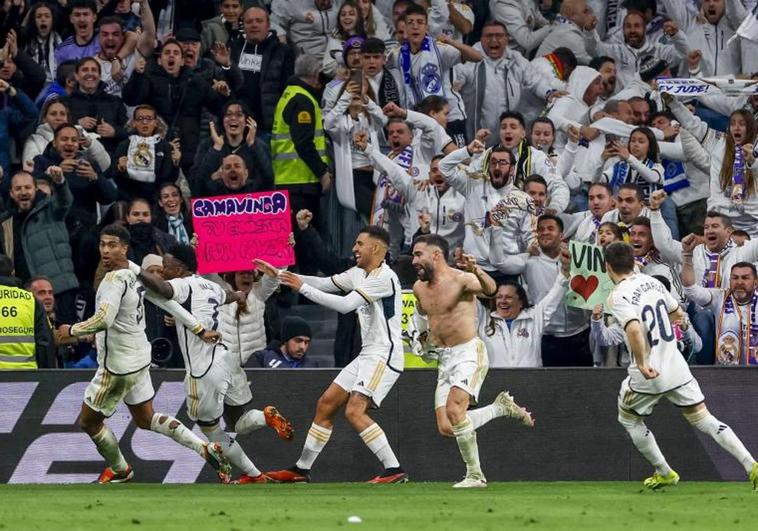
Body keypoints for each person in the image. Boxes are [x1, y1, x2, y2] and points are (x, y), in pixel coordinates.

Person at [57, 224, 230, 483]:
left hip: (117, 367)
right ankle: (204, 447)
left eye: (112, 245)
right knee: (146, 418)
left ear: (125, 248)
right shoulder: (133, 273)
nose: (106, 250)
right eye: (103, 244)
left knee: (88, 422)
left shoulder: (114, 279)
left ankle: (120, 469)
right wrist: (198, 328)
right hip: (139, 360)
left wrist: (71, 329)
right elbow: (163, 300)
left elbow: (103, 319)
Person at [133, 243, 294, 484]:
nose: (162, 272)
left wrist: (133, 267)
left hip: (204, 367)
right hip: (227, 359)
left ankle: (253, 473)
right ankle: (264, 419)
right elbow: (230, 295)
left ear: (178, 268)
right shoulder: (212, 286)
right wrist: (238, 296)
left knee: (209, 429)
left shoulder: (181, 284)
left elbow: (163, 288)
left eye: (165, 267)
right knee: (238, 422)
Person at [603, 242, 758, 490]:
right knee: (704, 418)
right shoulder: (653, 282)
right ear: (633, 261)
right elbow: (677, 314)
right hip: (676, 367)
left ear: (607, 266)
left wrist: (642, 363)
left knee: (630, 420)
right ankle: (751, 465)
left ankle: (664, 471)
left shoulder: (619, 294)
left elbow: (632, 328)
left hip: (649, 372)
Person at [261, 226, 408, 484]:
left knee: (354, 411)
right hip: (368, 354)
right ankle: (301, 470)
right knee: (326, 403)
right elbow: (325, 284)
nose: (354, 248)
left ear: (375, 248)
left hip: (384, 355)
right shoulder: (357, 273)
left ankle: (394, 469)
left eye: (359, 243)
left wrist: (301, 288)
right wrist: (283, 275)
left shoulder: (384, 277)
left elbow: (344, 305)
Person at [410, 234, 535, 487]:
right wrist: (421, 338)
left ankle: (475, 475)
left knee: (456, 411)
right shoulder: (418, 288)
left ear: (436, 255)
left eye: (418, 254)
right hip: (444, 359)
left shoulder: (462, 279)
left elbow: (490, 290)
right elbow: (423, 314)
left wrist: (475, 269)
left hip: (468, 352)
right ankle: (500, 408)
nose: (414, 260)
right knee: (447, 426)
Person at [0, 171, 80, 326]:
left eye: (27, 187)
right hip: (25, 295)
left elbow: (65, 201)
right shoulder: (5, 223)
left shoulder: (51, 208)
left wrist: (60, 182)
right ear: (11, 193)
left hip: (59, 290)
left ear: (36, 189)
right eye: (18, 189)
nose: (23, 192)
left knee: (65, 338)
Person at [271, 54, 330, 223]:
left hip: (288, 179)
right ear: (315, 74)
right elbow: (303, 142)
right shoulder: (302, 100)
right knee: (306, 238)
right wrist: (322, 173)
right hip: (301, 182)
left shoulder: (289, 94)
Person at [230, 5, 295, 146]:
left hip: (268, 126)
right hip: (237, 126)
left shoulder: (283, 51)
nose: (254, 25)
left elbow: (287, 89)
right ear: (243, 25)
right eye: (249, 22)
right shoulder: (233, 48)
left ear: (268, 25)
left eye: (259, 21)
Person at [0, 255, 55, 369]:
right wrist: (48, 377)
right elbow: (45, 342)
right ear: (13, 273)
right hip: (27, 375)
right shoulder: (30, 300)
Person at [254, 316, 318, 368]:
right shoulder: (261, 358)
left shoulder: (311, 365)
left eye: (306, 342)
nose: (302, 347)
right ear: (285, 340)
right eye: (298, 340)